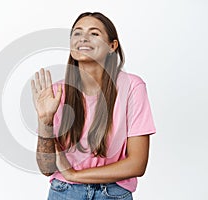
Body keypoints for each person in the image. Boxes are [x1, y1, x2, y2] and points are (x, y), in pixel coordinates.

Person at [31, 12, 156, 200]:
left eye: (94, 33)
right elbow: (47, 169)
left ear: (112, 46)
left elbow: (137, 164)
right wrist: (45, 120)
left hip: (112, 193)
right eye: (77, 33)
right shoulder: (56, 93)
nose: (83, 38)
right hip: (64, 192)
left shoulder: (132, 87)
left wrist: (74, 175)